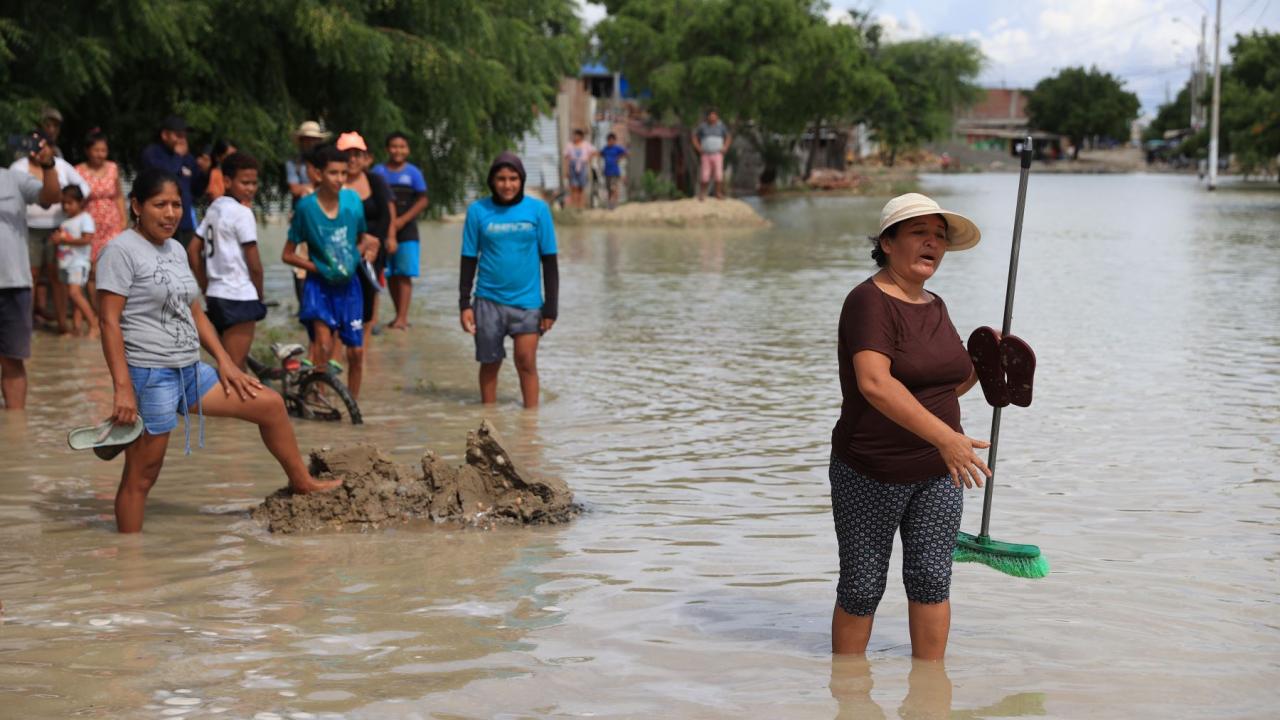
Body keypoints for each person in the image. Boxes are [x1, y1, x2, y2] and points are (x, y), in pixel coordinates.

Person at [96, 169, 340, 533]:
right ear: (136, 206)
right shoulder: (120, 251)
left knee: (269, 404)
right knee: (142, 475)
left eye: (176, 205)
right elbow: (108, 322)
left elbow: (196, 313)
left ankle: (302, 482)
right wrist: (122, 387)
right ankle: (130, 563)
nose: (170, 213)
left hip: (190, 370)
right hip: (149, 376)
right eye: (159, 205)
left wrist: (226, 363)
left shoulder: (176, 249)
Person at [829, 193, 991, 660]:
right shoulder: (867, 301)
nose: (933, 244)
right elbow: (875, 385)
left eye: (939, 236)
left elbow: (943, 386)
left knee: (931, 581)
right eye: (920, 232)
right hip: (871, 469)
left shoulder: (935, 304)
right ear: (887, 242)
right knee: (862, 587)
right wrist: (947, 439)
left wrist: (988, 365)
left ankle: (930, 693)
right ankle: (849, 695)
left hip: (940, 471)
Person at [458, 152, 558, 409]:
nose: (507, 184)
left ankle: (530, 426)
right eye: (501, 178)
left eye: (513, 178)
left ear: (521, 180)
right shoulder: (478, 211)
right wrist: (464, 305)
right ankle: (488, 423)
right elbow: (469, 259)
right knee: (490, 364)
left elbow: (549, 261)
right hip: (488, 300)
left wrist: (551, 308)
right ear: (492, 180)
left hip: (528, 302)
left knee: (526, 363)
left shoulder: (538, 210)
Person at [282, 144, 378, 399]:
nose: (339, 179)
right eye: (333, 173)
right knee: (323, 345)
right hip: (319, 287)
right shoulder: (306, 208)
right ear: (316, 174)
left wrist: (363, 250)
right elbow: (287, 254)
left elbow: (361, 237)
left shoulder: (353, 202)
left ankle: (352, 406)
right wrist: (319, 268)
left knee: (356, 353)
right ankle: (319, 396)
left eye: (343, 173)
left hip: (350, 287)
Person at [189, 152, 266, 371]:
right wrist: (259, 295)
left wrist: (205, 286)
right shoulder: (243, 213)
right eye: (245, 182)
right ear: (228, 181)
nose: (250, 188)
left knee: (231, 365)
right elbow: (255, 265)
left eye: (254, 183)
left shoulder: (215, 207)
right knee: (233, 367)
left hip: (216, 296)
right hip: (239, 296)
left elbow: (193, 251)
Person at [0, 138, 61, 409]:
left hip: (13, 283)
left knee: (13, 361)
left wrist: (48, 164)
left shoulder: (13, 178)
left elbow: (50, 197)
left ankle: (16, 431)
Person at [10, 137, 91, 333]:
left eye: (42, 145)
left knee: (58, 277)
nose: (38, 150)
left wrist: (68, 201)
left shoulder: (60, 165)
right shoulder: (18, 167)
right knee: (30, 276)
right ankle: (25, 325)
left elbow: (84, 188)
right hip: (28, 228)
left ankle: (63, 325)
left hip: (58, 228)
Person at [337, 132, 396, 345]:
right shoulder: (335, 182)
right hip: (342, 248)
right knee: (341, 295)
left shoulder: (375, 180)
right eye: (347, 154)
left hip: (373, 247)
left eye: (357, 154)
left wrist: (376, 241)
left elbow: (385, 213)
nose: (352, 159)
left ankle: (363, 346)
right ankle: (338, 346)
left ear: (365, 158)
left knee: (369, 295)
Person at [371, 131, 428, 330]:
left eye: (402, 146)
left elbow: (423, 199)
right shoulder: (378, 171)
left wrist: (402, 220)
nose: (398, 150)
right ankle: (395, 315)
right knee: (389, 274)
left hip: (407, 230)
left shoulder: (413, 173)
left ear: (408, 149)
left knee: (404, 273)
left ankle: (402, 317)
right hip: (382, 229)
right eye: (394, 146)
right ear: (387, 149)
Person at [138, 115, 208, 247]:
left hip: (184, 221)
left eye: (184, 136)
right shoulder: (152, 154)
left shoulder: (187, 158)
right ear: (165, 135)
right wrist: (177, 157)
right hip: (160, 222)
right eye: (178, 135)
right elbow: (162, 178)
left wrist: (204, 173)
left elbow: (197, 191)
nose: (182, 140)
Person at [50, 185, 98, 335]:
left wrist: (64, 241)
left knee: (74, 294)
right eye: (64, 203)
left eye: (70, 203)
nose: (66, 206)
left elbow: (87, 240)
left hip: (79, 263)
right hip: (65, 263)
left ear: (80, 202)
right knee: (75, 297)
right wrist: (57, 240)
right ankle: (77, 329)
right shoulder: (65, 222)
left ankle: (94, 324)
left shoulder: (85, 218)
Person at [75, 129, 128, 263]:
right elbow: (75, 201)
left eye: (103, 150)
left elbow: (118, 195)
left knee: (114, 261)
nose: (100, 154)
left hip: (112, 224)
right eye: (96, 150)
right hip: (90, 225)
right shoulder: (78, 171)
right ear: (87, 151)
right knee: (93, 266)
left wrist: (123, 219)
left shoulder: (113, 168)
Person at [286, 121, 329, 207]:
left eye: (314, 139)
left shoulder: (328, 161)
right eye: (307, 139)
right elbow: (295, 189)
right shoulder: (293, 163)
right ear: (301, 141)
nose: (311, 143)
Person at [692, 109, 731, 200]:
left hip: (717, 154)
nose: (712, 117)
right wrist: (698, 148)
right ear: (708, 117)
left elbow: (728, 137)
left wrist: (725, 147)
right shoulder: (703, 127)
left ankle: (718, 193)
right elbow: (694, 137)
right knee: (705, 175)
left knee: (718, 175)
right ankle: (702, 194)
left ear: (717, 116)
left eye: (714, 115)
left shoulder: (721, 126)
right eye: (711, 115)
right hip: (706, 154)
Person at [562, 129, 595, 210]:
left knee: (581, 188)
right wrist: (566, 170)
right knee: (573, 187)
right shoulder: (569, 145)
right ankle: (574, 206)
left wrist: (587, 159)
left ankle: (581, 207)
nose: (575, 137)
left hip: (582, 167)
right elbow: (566, 158)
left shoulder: (586, 144)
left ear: (581, 136)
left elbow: (594, 152)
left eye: (577, 135)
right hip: (572, 167)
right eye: (574, 135)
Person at [600, 133, 628, 210]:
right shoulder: (605, 149)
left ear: (615, 141)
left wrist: (619, 157)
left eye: (612, 140)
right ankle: (610, 203)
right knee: (609, 189)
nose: (611, 142)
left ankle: (614, 203)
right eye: (609, 140)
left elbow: (626, 152)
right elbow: (600, 154)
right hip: (607, 172)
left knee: (614, 188)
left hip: (615, 172)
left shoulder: (617, 148)